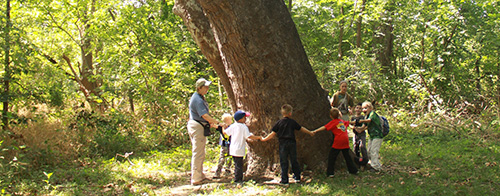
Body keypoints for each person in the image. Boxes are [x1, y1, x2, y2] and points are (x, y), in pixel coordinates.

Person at [261, 104, 314, 184]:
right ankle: (297, 177)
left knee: (284, 161)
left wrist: (265, 139)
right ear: (290, 113)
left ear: (282, 113)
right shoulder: (292, 122)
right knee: (294, 160)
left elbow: (273, 133)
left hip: (283, 144)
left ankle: (284, 180)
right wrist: (309, 132)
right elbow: (301, 128)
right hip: (291, 143)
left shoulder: (279, 123)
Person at [187, 78, 219, 185]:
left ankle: (200, 175)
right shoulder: (197, 99)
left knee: (200, 151)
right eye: (205, 87)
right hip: (197, 126)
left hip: (199, 125)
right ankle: (196, 178)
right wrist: (216, 122)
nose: (207, 88)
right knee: (198, 152)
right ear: (199, 88)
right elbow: (204, 116)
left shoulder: (200, 97)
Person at [312, 108, 358, 177]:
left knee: (332, 157)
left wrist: (315, 131)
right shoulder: (341, 121)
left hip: (338, 141)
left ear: (331, 116)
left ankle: (330, 173)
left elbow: (324, 127)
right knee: (347, 156)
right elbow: (349, 122)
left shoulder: (333, 122)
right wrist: (358, 121)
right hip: (345, 140)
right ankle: (353, 170)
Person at [224, 110, 262, 183]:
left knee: (237, 164)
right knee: (239, 165)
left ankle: (237, 178)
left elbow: (226, 132)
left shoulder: (233, 126)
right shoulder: (243, 127)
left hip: (232, 149)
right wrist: (258, 137)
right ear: (240, 119)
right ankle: (238, 180)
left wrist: (223, 127)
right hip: (239, 149)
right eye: (245, 118)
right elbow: (249, 136)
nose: (246, 119)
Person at [357, 101, 383, 172]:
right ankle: (374, 163)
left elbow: (369, 121)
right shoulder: (366, 116)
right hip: (372, 136)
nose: (364, 110)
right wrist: (355, 127)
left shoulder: (372, 114)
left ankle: (376, 167)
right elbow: (363, 127)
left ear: (370, 108)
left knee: (374, 150)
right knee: (369, 151)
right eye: (363, 108)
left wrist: (360, 121)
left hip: (377, 135)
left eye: (366, 108)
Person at [214, 113, 233, 178]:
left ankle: (227, 170)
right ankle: (218, 171)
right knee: (222, 158)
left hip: (230, 144)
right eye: (230, 119)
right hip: (224, 144)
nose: (231, 121)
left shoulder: (231, 127)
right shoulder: (221, 127)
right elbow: (214, 125)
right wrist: (220, 124)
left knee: (229, 157)